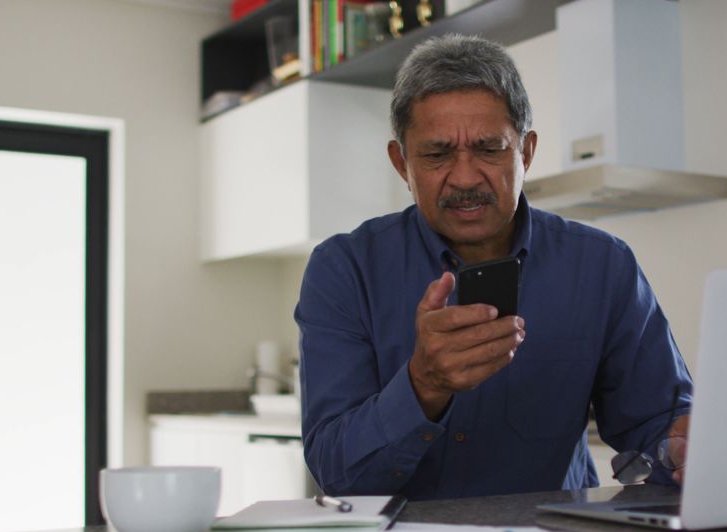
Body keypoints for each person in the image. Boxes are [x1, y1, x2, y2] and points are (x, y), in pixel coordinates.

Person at [295, 33, 692, 500]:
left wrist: (681, 445)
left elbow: (655, 422)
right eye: (437, 154)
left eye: (489, 149)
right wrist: (424, 384)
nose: (464, 177)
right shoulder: (344, 270)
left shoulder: (603, 265)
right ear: (401, 163)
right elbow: (337, 474)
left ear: (525, 152)